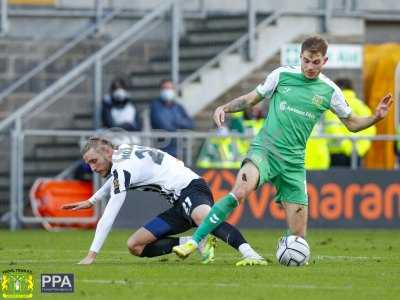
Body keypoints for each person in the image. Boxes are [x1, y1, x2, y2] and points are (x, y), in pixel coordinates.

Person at [173, 35, 393, 259]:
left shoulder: (329, 91)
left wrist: (375, 117)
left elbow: (352, 123)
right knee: (239, 191)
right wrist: (225, 108)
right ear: (301, 57)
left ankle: (283, 250)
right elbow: (251, 99)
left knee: (298, 237)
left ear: (324, 61)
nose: (310, 66)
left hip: (294, 163)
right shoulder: (281, 75)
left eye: (316, 62)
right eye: (306, 60)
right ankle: (194, 242)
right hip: (265, 151)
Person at [62, 137, 266, 266]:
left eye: (94, 161)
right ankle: (195, 242)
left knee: (202, 216)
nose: (92, 168)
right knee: (135, 246)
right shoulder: (122, 152)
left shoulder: (123, 168)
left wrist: (92, 255)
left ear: (106, 152)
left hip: (191, 188)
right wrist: (93, 200)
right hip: (177, 203)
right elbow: (115, 179)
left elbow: (109, 214)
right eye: (88, 163)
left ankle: (250, 254)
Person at [324, 78, 376, 167]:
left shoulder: (334, 104)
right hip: (356, 154)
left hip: (337, 154)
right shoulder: (361, 106)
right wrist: (358, 149)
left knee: (336, 180)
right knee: (355, 180)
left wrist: (347, 147)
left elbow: (332, 128)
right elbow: (370, 130)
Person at [150, 79, 194, 157]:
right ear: (161, 90)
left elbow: (191, 124)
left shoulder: (178, 106)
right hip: (163, 149)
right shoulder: (155, 106)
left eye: (170, 88)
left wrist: (176, 122)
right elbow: (163, 125)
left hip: (180, 149)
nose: (168, 90)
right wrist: (180, 126)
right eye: (165, 88)